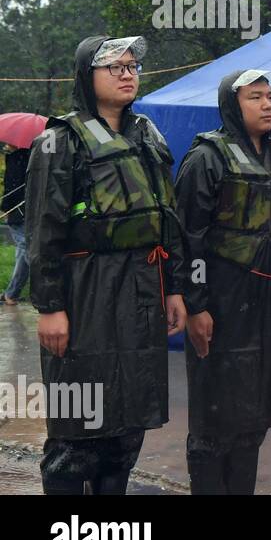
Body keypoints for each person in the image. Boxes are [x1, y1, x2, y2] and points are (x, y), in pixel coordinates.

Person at [25, 35, 186, 494]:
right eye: (114, 66)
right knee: (77, 433)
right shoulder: (59, 142)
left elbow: (167, 219)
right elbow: (42, 232)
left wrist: (173, 288)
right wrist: (50, 307)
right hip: (85, 294)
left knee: (126, 429)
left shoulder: (147, 136)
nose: (127, 73)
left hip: (140, 293)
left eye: (132, 65)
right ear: (86, 76)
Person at [176, 68, 271, 494]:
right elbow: (187, 238)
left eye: (270, 96)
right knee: (215, 424)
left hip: (270, 308)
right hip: (223, 308)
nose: (268, 104)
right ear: (233, 104)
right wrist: (196, 305)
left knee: (253, 421)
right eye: (256, 97)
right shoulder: (207, 159)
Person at [3, 144, 30, 305]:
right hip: (27, 211)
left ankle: (12, 293)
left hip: (18, 212)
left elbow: (11, 187)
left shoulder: (16, 160)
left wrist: (5, 208)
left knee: (25, 249)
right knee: (23, 251)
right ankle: (12, 293)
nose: (6, 143)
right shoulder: (30, 157)